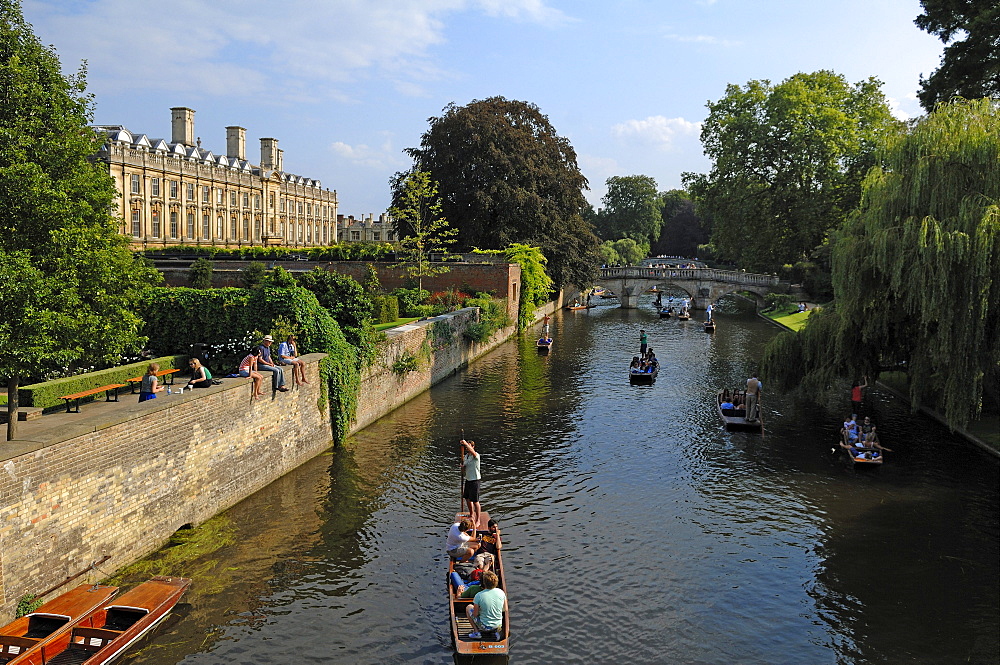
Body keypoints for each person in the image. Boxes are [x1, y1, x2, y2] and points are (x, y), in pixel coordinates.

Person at [466, 571, 506, 640]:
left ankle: (476, 632)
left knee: (468, 607)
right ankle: (497, 631)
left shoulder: (479, 595)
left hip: (485, 627)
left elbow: (475, 614)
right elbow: (505, 609)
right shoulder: (501, 592)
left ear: (484, 583)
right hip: (498, 624)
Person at [461, 439, 483, 529]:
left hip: (475, 480)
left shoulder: (476, 455)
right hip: (468, 479)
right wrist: (462, 467)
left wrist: (465, 443)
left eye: (469, 446)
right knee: (467, 498)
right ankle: (471, 514)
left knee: (475, 501)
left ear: (473, 447)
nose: (467, 448)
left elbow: (472, 451)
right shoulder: (466, 456)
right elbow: (464, 467)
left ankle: (478, 520)